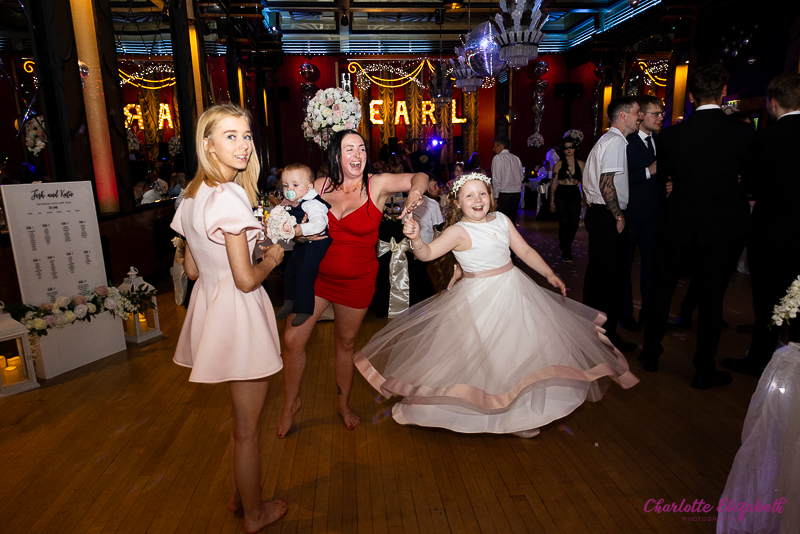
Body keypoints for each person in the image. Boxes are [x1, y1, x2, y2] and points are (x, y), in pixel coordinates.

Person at [351, 172, 638, 436]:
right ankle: (493, 412)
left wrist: (549, 273)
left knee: (518, 353)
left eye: (482, 194)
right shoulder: (458, 231)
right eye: (469, 196)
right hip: (479, 301)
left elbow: (523, 250)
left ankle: (521, 416)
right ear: (458, 203)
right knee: (490, 357)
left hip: (514, 290)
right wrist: (415, 239)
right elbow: (427, 254)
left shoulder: (502, 220)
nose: (478, 200)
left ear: (491, 196)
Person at [169, 103, 288, 531]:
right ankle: (255, 514)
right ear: (209, 145)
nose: (242, 145)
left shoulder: (192, 194)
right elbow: (245, 279)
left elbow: (194, 269)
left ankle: (242, 495)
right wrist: (271, 257)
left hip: (212, 312)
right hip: (240, 315)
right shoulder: (230, 196)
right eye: (231, 136)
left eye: (247, 135)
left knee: (241, 424)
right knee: (247, 431)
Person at [277, 129, 429, 437]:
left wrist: (414, 193)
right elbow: (289, 197)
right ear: (336, 155)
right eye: (349, 149)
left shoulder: (377, 184)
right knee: (292, 340)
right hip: (316, 278)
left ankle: (343, 405)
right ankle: (289, 404)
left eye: (361, 148)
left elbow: (421, 175)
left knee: (344, 345)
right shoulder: (319, 186)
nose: (357, 154)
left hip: (356, 283)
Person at [639, 64, 754, 389]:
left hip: (678, 220)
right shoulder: (742, 132)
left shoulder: (672, 135)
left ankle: (651, 354)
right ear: (722, 93)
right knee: (712, 298)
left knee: (663, 288)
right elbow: (751, 178)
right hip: (722, 224)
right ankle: (704, 368)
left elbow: (664, 179)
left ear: (690, 96)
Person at [722, 72, 800, 377]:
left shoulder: (766, 138)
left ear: (774, 102)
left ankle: (760, 361)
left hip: (773, 231)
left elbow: (750, 183)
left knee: (769, 298)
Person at [582, 96, 641, 354]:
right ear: (623, 115)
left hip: (597, 214)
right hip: (607, 215)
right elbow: (607, 183)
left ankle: (593, 334)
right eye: (638, 112)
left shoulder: (606, 139)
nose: (640, 117)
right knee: (613, 279)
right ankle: (608, 338)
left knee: (597, 276)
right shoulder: (616, 140)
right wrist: (618, 215)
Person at [619, 95, 664, 332]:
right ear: (641, 116)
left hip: (655, 215)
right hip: (631, 213)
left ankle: (649, 313)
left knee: (652, 267)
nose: (660, 118)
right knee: (624, 267)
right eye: (655, 114)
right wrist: (649, 171)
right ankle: (626, 314)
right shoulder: (626, 141)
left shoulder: (662, 140)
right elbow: (619, 177)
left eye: (661, 114)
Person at [274, 163, 332, 327]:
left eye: (294, 185)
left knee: (305, 273)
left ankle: (305, 309)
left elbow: (320, 223)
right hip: (303, 242)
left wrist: (300, 229)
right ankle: (289, 301)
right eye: (285, 185)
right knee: (290, 270)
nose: (288, 189)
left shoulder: (312, 203)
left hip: (317, 243)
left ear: (309, 187)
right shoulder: (294, 200)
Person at [549, 139, 586, 262]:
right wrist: (552, 201)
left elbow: (586, 183)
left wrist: (585, 197)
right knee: (564, 223)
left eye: (571, 147)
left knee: (574, 223)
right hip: (561, 193)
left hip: (574, 193)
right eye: (566, 147)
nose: (569, 150)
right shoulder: (558, 164)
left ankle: (564, 244)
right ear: (563, 149)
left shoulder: (581, 164)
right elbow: (554, 183)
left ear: (575, 148)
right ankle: (567, 252)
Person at [490, 136, 524, 226]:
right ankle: (512, 239)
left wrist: (495, 198)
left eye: (495, 146)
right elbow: (521, 177)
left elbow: (497, 180)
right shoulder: (516, 158)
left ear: (501, 146)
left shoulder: (497, 158)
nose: (493, 149)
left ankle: (504, 240)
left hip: (503, 195)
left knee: (502, 222)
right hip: (516, 194)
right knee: (512, 221)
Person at [412, 175, 445, 244]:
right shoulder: (432, 203)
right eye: (434, 185)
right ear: (426, 187)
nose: (438, 189)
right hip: (427, 242)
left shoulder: (410, 201)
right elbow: (439, 227)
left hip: (411, 242)